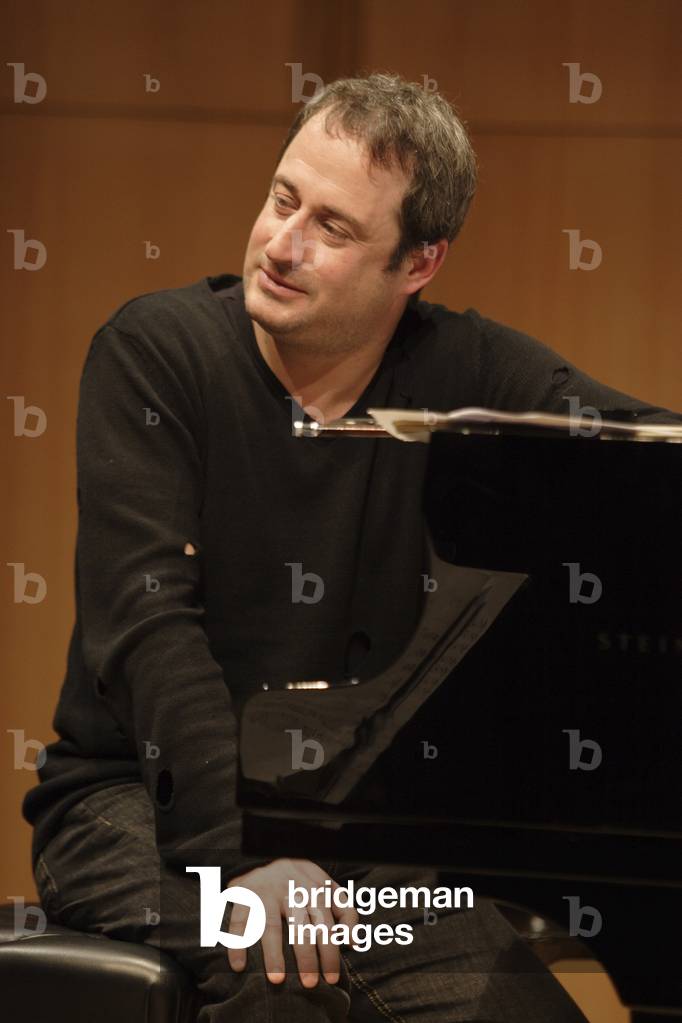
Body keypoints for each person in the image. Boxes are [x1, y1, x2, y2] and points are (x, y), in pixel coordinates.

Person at [23, 72, 681, 1023]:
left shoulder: (465, 368)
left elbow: (645, 452)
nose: (282, 244)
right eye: (282, 199)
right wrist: (249, 858)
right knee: (282, 978)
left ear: (419, 263)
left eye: (332, 227)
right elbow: (150, 633)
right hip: (130, 807)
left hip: (354, 846)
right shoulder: (155, 354)